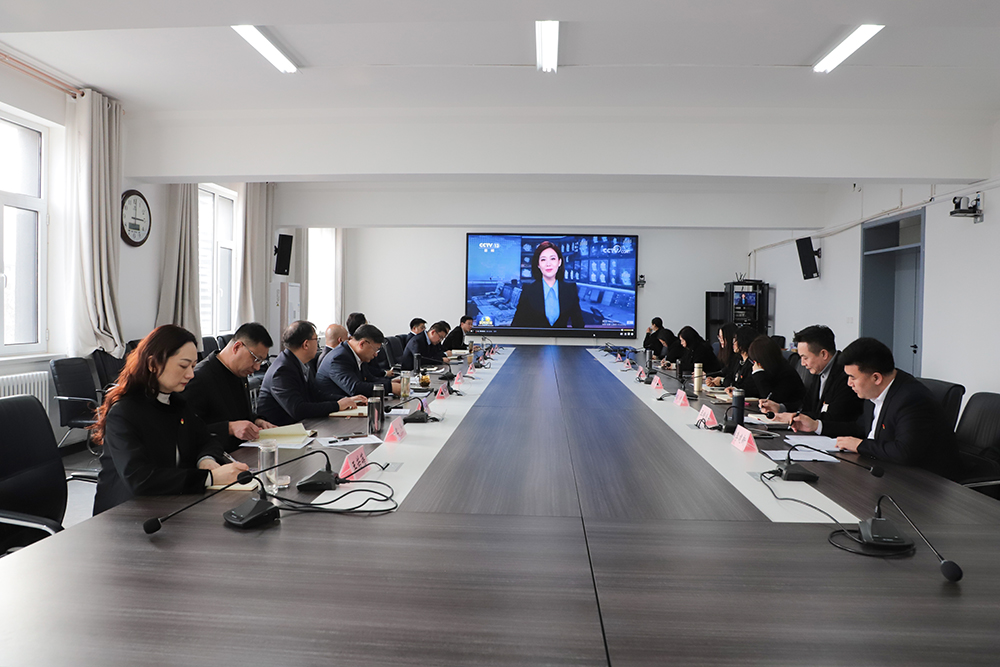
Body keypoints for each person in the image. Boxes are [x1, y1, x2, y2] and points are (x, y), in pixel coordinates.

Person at [90, 325, 249, 514]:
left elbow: (207, 439)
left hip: (170, 502)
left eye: (193, 366)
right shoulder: (124, 412)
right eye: (183, 366)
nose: (191, 374)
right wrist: (209, 478)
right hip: (126, 513)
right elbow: (140, 479)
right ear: (153, 364)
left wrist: (205, 459)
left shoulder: (177, 403)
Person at [790, 337, 961, 480]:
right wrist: (817, 425)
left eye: (852, 377)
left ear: (876, 378)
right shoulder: (874, 391)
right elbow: (860, 428)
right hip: (881, 468)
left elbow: (905, 452)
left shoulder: (911, 399)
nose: (849, 383)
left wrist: (860, 445)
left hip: (923, 483)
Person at [183, 322, 277, 452]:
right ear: (237, 347)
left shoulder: (239, 372)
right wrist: (229, 428)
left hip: (244, 450)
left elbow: (238, 413)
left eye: (261, 362)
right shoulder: (199, 378)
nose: (257, 367)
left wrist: (257, 420)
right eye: (256, 359)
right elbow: (186, 430)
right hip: (216, 455)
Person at [256, 321, 365, 426]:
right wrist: (337, 406)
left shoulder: (299, 363)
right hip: (279, 431)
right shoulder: (282, 370)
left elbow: (316, 395)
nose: (318, 344)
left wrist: (346, 400)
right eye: (316, 339)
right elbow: (297, 409)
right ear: (306, 344)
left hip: (300, 426)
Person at [759, 325, 864, 424]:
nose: (802, 363)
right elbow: (807, 407)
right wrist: (781, 408)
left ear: (824, 354)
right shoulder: (819, 370)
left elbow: (834, 418)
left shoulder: (846, 375)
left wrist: (794, 416)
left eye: (805, 358)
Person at [510, 241, 585, 328]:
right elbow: (517, 325)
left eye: (552, 259)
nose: (548, 264)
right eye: (543, 259)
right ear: (538, 265)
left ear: (559, 262)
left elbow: (579, 325)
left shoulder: (570, 289)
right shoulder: (528, 290)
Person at [317, 324, 403, 399]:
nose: (376, 354)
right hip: (334, 408)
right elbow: (354, 388)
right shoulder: (339, 357)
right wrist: (390, 387)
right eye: (375, 349)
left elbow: (369, 379)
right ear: (362, 344)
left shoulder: (356, 355)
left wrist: (389, 382)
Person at [746, 334, 805, 412]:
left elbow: (770, 400)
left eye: (756, 361)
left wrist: (758, 374)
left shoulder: (786, 373)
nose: (755, 365)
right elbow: (754, 390)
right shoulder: (772, 369)